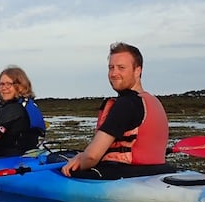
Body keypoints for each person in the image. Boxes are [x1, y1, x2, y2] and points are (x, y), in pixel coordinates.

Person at [61, 42, 171, 179]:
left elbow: (91, 156)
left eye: (121, 68)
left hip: (126, 174)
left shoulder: (126, 104)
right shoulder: (153, 101)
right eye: (111, 68)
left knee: (59, 161)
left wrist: (77, 164)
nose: (114, 73)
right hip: (155, 172)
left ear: (137, 71)